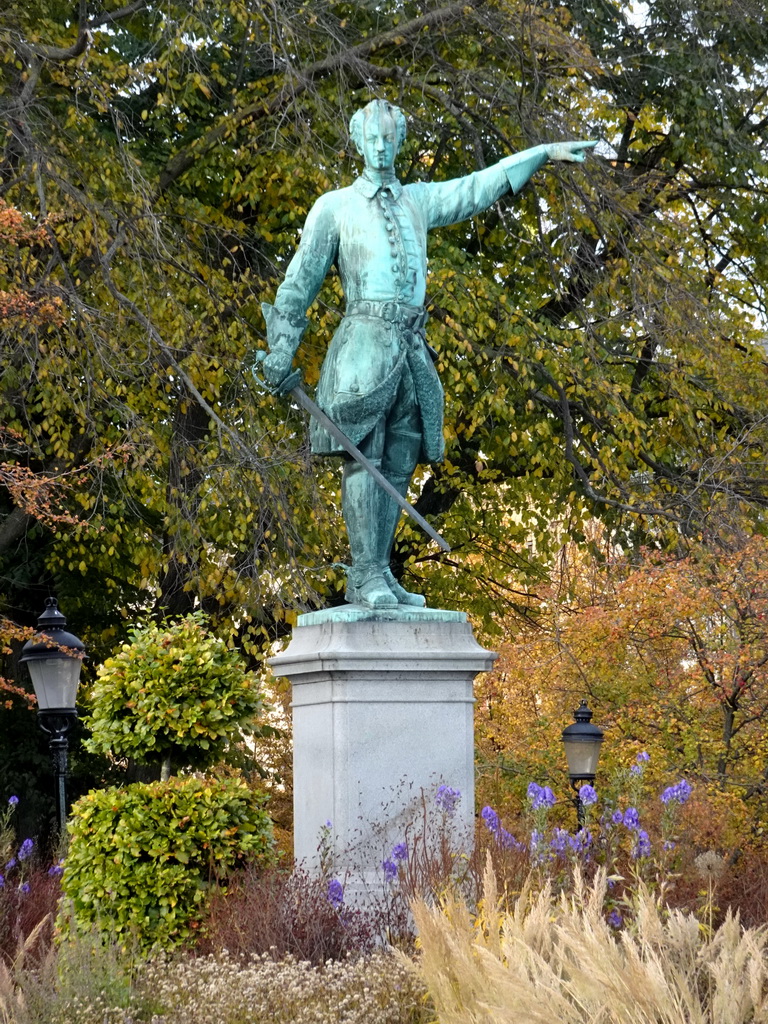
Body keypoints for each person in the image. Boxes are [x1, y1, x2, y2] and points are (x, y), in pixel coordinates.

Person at [259, 99, 594, 610]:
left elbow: (476, 188)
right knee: (362, 457)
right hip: (361, 348)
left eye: (389, 138)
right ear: (357, 141)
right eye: (372, 138)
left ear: (400, 142)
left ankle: (379, 569)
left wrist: (542, 152)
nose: (380, 146)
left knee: (398, 460)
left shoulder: (417, 200)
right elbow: (299, 282)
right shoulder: (334, 207)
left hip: (410, 348)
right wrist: (281, 349)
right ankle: (363, 573)